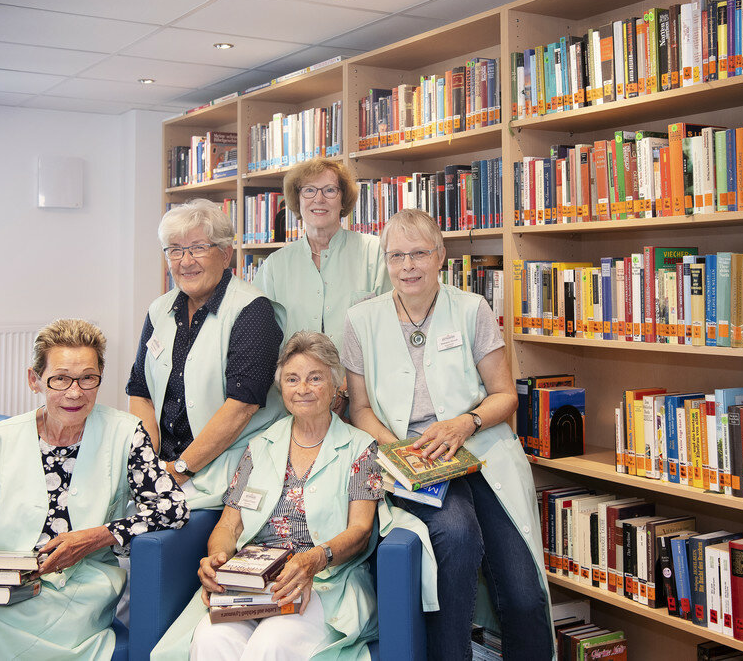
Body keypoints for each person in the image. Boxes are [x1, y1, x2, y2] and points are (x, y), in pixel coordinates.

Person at [342, 209, 554, 660]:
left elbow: (505, 396)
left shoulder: (472, 309)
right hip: (414, 461)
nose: (408, 266)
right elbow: (358, 410)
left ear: (441, 256)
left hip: (481, 451)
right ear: (385, 262)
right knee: (457, 537)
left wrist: (465, 423)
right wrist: (402, 454)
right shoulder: (361, 320)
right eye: (396, 256)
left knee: (522, 593)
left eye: (419, 253)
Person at [0, 319, 189, 660]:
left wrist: (97, 537)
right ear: (35, 379)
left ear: (100, 377)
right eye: (60, 379)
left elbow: (173, 507)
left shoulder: (126, 433)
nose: (75, 392)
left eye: (88, 378)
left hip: (81, 592)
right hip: (0, 588)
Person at [152, 331, 381, 661]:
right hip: (252, 584)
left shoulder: (360, 447)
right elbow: (229, 526)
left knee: (271, 643)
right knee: (210, 639)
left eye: (315, 378)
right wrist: (218, 559)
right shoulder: (259, 447)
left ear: (336, 384)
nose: (302, 389)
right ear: (281, 387)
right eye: (292, 379)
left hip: (323, 582)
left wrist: (314, 559)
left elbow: (360, 531)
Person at [127, 198, 283, 509]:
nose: (185, 261)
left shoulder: (252, 310)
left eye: (198, 248)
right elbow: (141, 392)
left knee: (144, 524)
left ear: (225, 254)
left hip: (226, 469)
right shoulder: (159, 309)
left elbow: (241, 407)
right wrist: (149, 463)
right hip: (165, 467)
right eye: (175, 250)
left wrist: (178, 471)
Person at [251, 159, 390, 376]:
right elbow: (260, 340)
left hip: (362, 386)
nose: (319, 199)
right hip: (296, 390)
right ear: (297, 199)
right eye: (309, 190)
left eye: (329, 190)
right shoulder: (274, 267)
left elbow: (390, 330)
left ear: (343, 199)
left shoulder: (376, 253)